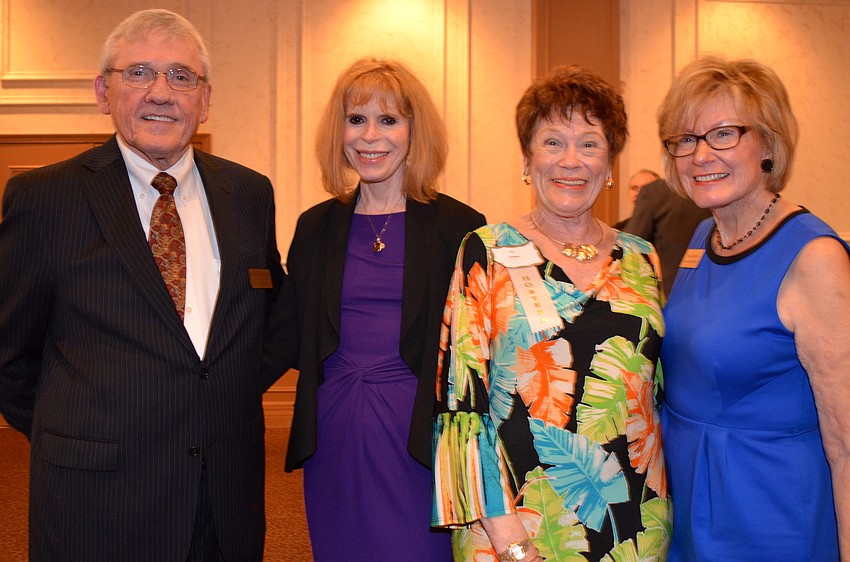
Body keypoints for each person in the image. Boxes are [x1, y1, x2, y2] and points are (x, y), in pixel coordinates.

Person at [0, 9, 291, 561]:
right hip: (96, 501)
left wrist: (217, 395)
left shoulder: (250, 194)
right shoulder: (44, 199)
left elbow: (265, 321)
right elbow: (10, 356)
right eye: (138, 72)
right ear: (102, 90)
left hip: (223, 498)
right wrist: (80, 431)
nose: (161, 92)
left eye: (181, 76)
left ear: (204, 100)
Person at [432, 66, 670, 562]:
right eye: (552, 142)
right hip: (515, 524)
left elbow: (656, 396)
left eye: (590, 144)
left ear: (610, 165)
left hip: (634, 522)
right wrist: (509, 538)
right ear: (527, 158)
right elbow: (461, 406)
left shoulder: (643, 258)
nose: (570, 161)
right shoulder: (486, 251)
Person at [268, 58, 485, 561]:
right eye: (356, 119)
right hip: (334, 429)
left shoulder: (460, 228)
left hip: (419, 435)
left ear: (415, 131)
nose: (371, 136)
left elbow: (480, 349)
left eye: (389, 120)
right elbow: (282, 333)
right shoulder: (316, 226)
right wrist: (199, 392)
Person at [657, 56, 850, 561]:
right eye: (685, 139)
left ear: (768, 143)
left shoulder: (814, 258)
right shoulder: (706, 235)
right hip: (692, 504)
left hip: (768, 515)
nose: (700, 155)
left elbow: (847, 442)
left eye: (723, 134)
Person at [622, 178, 710, 296]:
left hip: (668, 291)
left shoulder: (655, 193)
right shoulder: (717, 188)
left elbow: (631, 247)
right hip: (713, 286)